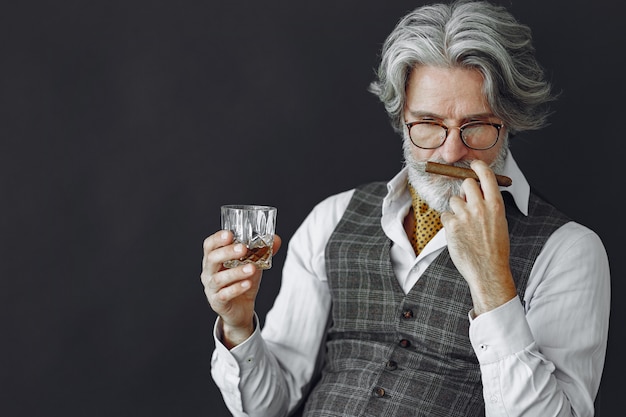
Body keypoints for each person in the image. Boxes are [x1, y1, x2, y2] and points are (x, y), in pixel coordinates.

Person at [202, 1, 610, 416]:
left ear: (508, 121)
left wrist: (492, 283)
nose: (452, 152)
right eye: (429, 123)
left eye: (476, 125)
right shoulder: (331, 218)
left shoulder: (569, 252)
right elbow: (265, 407)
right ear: (401, 117)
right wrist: (238, 326)